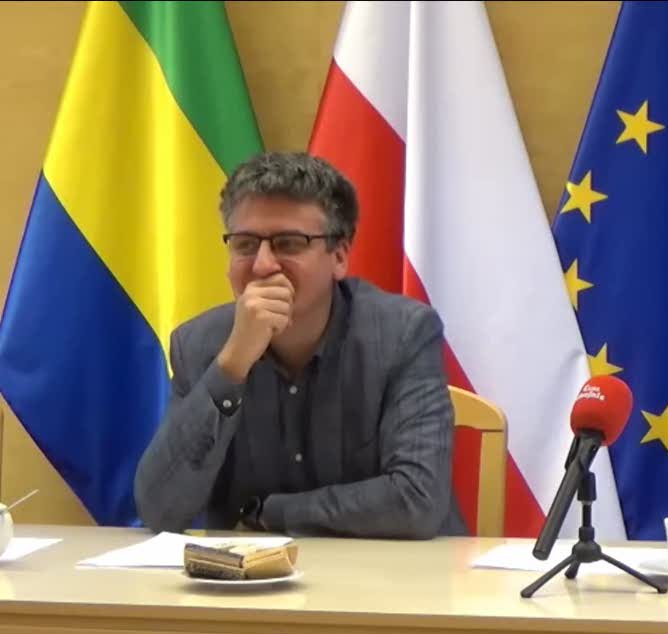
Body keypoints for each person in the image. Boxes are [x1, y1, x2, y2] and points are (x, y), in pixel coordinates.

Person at [135, 151, 464, 539]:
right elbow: (160, 510)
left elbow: (417, 500)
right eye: (245, 244)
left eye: (288, 243)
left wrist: (268, 513)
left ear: (339, 256)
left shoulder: (403, 333)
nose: (262, 265)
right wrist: (231, 367)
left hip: (391, 572)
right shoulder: (200, 344)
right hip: (250, 575)